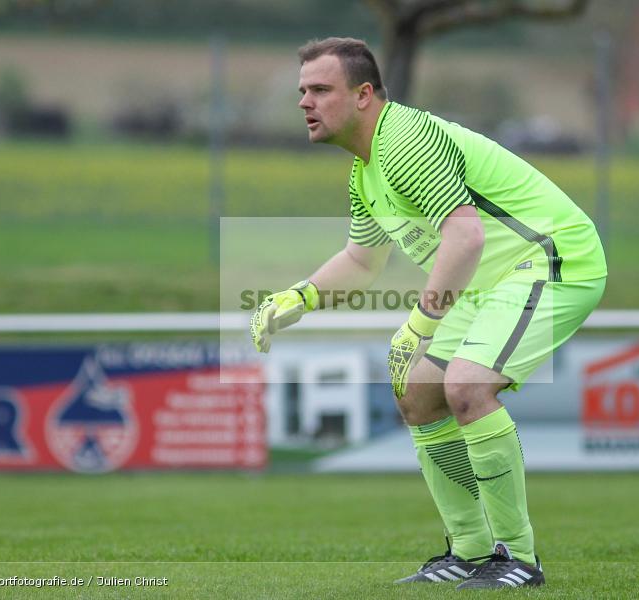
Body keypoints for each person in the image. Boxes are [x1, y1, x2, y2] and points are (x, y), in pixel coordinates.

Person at [250, 37, 607, 590]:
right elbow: (361, 261)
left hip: (553, 259)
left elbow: (465, 236)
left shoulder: (404, 139)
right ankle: (469, 552)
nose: (305, 102)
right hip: (490, 281)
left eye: (321, 89)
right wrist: (298, 297)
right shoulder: (365, 170)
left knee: (466, 386)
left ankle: (520, 558)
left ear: (364, 95)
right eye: (303, 91)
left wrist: (418, 324)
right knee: (419, 393)